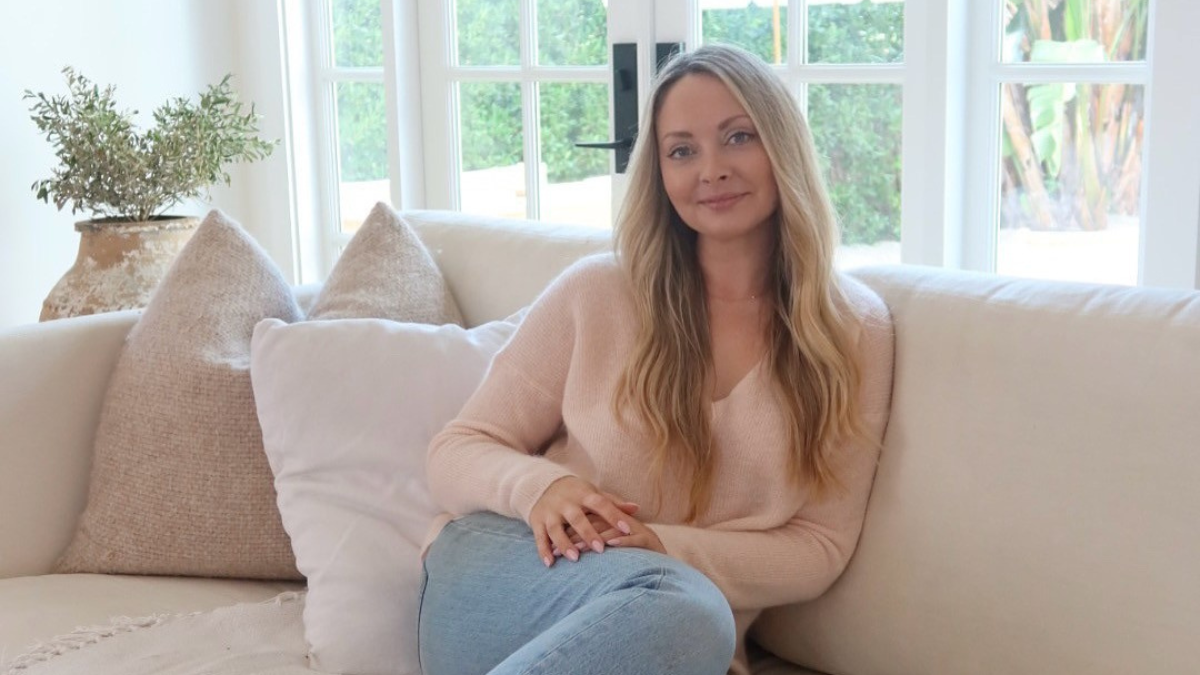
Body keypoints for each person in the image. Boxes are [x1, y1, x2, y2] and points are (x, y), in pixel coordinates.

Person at [417, 43, 895, 675]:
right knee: (691, 614)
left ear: (783, 146)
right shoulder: (596, 292)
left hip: (664, 631)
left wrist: (663, 549)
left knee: (689, 614)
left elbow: (821, 545)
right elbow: (457, 447)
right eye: (682, 150)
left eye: (738, 137)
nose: (711, 169)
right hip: (507, 572)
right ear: (660, 174)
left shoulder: (851, 330)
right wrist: (543, 487)